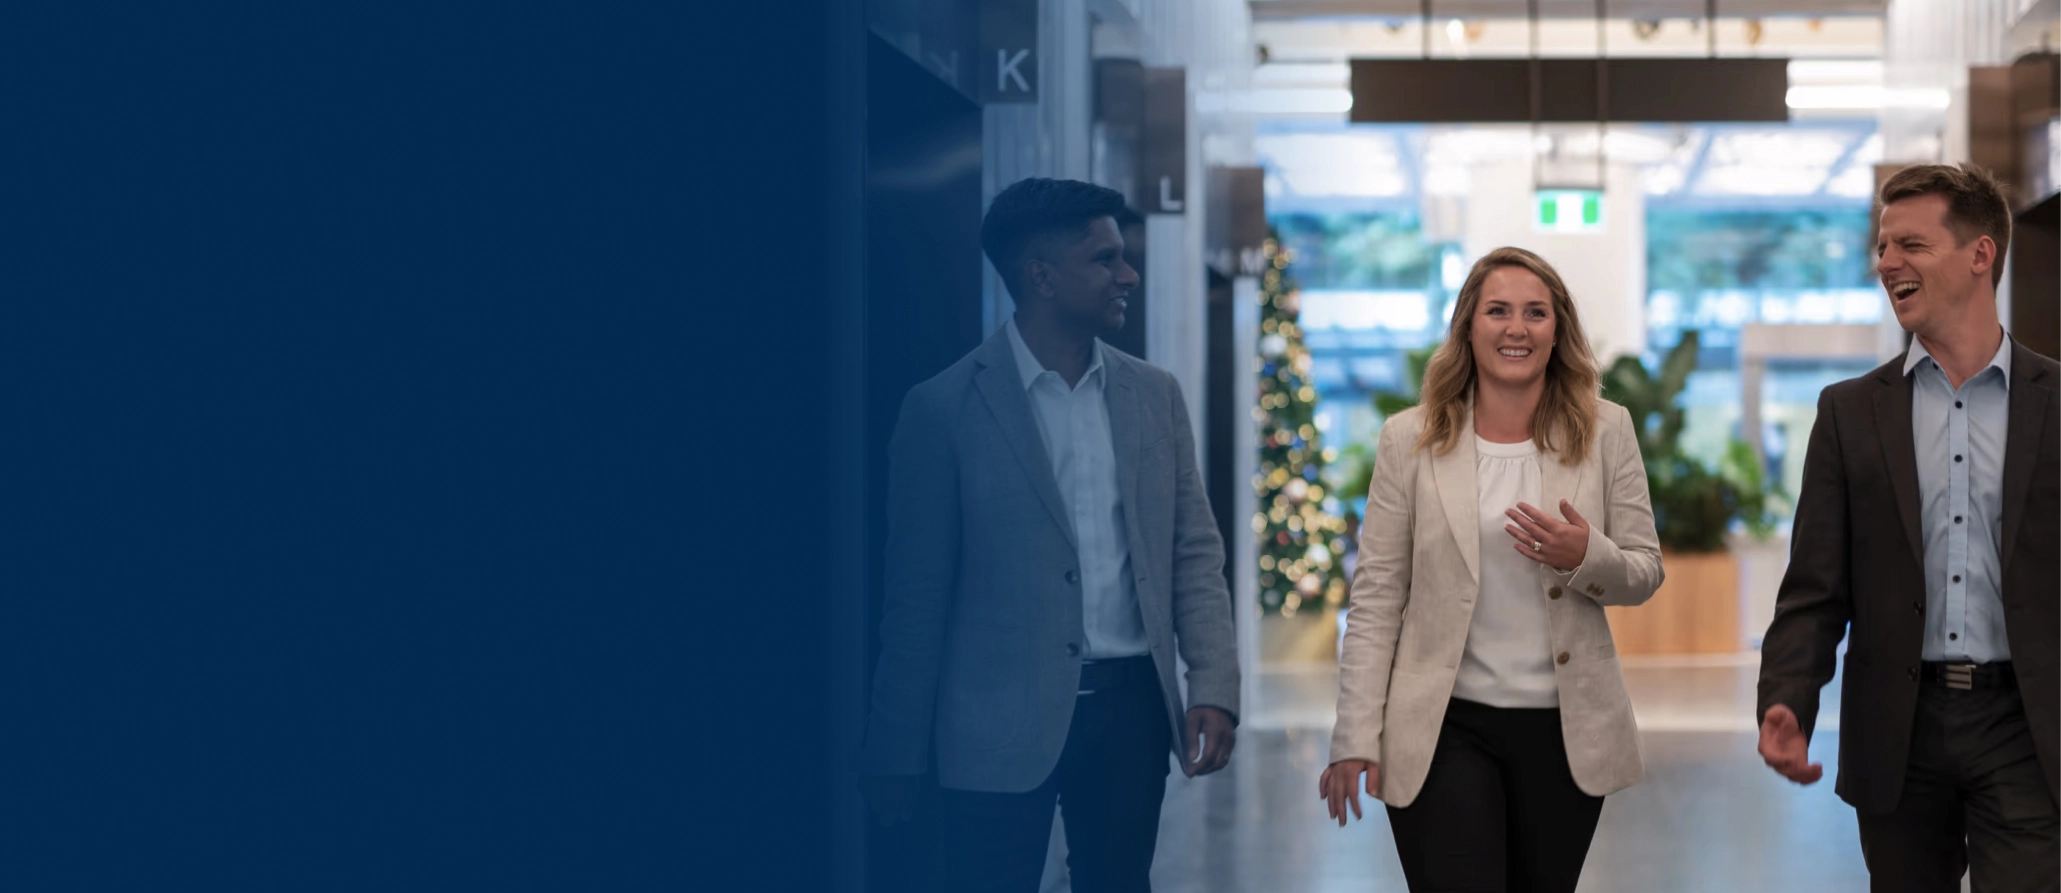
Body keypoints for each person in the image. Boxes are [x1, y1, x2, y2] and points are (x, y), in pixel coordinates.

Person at [858, 177, 1240, 893]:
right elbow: (914, 597)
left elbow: (1193, 551)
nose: (1126, 274)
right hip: (989, 722)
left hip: (1129, 713)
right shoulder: (942, 410)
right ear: (1039, 276)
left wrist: (1213, 683)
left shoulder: (1153, 395)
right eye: (1104, 260)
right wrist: (895, 746)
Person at [1320, 246, 1664, 893]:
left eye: (1535, 312)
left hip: (1564, 733)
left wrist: (1583, 553)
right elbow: (1374, 599)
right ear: (1467, 327)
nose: (1516, 328)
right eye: (1498, 310)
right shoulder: (1410, 439)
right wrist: (1352, 733)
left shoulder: (1606, 430)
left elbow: (1645, 570)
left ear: (1556, 329)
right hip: (1444, 725)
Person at [1756, 162, 2058, 893]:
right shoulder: (1847, 412)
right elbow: (1814, 586)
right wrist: (1787, 696)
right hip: (1898, 726)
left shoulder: (2056, 402)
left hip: (2027, 723)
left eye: (1911, 245)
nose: (1886, 262)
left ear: (1979, 254)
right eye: (1883, 246)